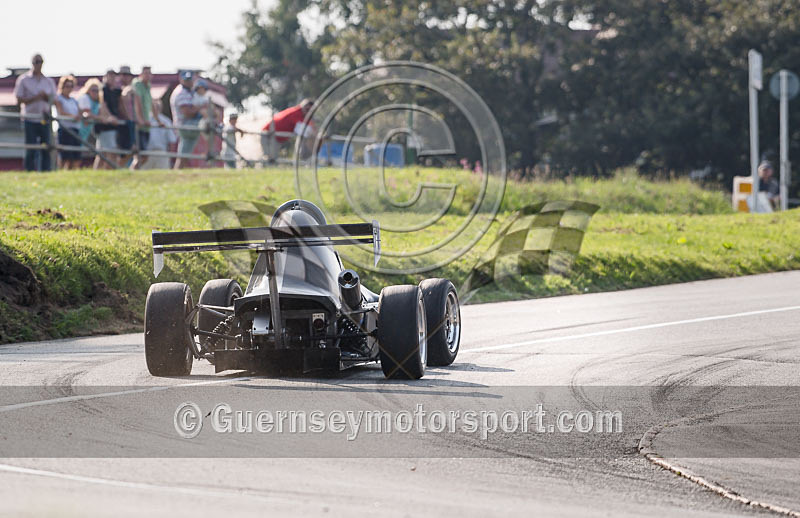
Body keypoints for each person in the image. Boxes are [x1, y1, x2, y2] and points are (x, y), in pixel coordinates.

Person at [13, 53, 57, 171]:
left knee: (46, 147)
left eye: (40, 62)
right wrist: (36, 97)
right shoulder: (23, 80)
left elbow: (54, 100)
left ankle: (46, 171)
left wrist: (45, 97)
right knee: (31, 147)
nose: (38, 64)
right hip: (29, 119)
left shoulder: (48, 81)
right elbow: (19, 99)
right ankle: (30, 171)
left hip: (44, 119)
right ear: (32, 63)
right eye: (36, 62)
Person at [77, 78, 118, 169]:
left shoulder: (97, 102)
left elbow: (104, 112)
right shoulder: (85, 98)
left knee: (99, 154)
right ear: (88, 90)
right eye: (93, 90)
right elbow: (86, 114)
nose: (95, 92)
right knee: (72, 155)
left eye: (97, 90)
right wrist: (102, 118)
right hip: (78, 130)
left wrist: (110, 118)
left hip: (85, 131)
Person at [170, 71, 203, 169]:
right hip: (185, 125)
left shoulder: (188, 92)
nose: (189, 82)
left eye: (190, 80)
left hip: (187, 125)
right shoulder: (181, 93)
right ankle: (177, 172)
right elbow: (187, 112)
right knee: (183, 154)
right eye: (186, 80)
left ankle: (178, 171)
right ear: (181, 80)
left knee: (185, 154)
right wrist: (200, 108)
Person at [118, 65, 144, 167]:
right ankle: (117, 170)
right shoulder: (117, 88)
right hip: (123, 124)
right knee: (125, 152)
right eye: (123, 75)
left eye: (127, 75)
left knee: (132, 151)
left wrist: (139, 119)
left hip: (131, 124)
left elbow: (138, 106)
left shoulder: (133, 89)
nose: (125, 77)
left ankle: (123, 171)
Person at [53, 75, 82, 170]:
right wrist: (73, 117)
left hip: (75, 129)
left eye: (71, 86)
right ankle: (61, 173)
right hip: (65, 129)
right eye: (67, 86)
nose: (69, 88)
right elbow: (61, 112)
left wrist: (80, 116)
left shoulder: (74, 100)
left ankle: (72, 174)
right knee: (65, 156)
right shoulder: (58, 98)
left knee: (76, 156)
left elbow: (79, 112)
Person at [95, 69, 122, 169]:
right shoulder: (103, 89)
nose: (112, 78)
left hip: (111, 127)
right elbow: (102, 105)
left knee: (105, 153)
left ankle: (102, 173)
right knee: (106, 153)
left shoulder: (115, 91)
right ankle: (104, 173)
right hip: (104, 127)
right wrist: (110, 117)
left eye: (113, 76)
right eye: (110, 76)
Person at [130, 66, 154, 169]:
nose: (148, 75)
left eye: (149, 73)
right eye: (146, 73)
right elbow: (137, 102)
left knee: (142, 156)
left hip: (145, 126)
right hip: (138, 126)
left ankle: (131, 173)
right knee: (141, 155)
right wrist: (140, 119)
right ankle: (131, 173)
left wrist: (157, 120)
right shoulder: (137, 84)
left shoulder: (148, 86)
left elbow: (152, 104)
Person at [142, 99, 177, 170]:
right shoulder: (145, 120)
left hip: (161, 153)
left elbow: (172, 141)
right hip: (146, 153)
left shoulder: (166, 121)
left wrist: (170, 157)